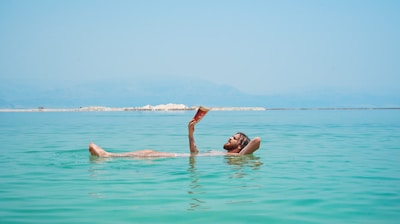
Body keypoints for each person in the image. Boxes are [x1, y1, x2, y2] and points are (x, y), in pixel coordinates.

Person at [88, 118, 261, 157]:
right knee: (148, 152)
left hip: (178, 159)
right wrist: (190, 133)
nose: (230, 138)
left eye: (234, 138)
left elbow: (256, 140)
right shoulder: (226, 155)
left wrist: (242, 152)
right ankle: (108, 155)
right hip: (185, 157)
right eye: (231, 135)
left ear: (240, 146)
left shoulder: (238, 157)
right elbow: (195, 153)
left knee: (148, 154)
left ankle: (107, 156)